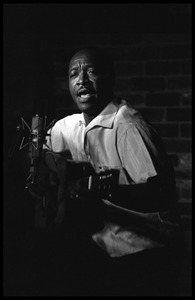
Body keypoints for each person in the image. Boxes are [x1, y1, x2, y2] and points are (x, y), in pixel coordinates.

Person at [34, 47, 185, 296]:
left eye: (91, 72)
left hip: (148, 250)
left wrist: (101, 190)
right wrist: (50, 170)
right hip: (105, 249)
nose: (82, 80)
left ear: (111, 78)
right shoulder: (69, 127)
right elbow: (36, 154)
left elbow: (159, 191)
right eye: (74, 74)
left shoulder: (128, 126)